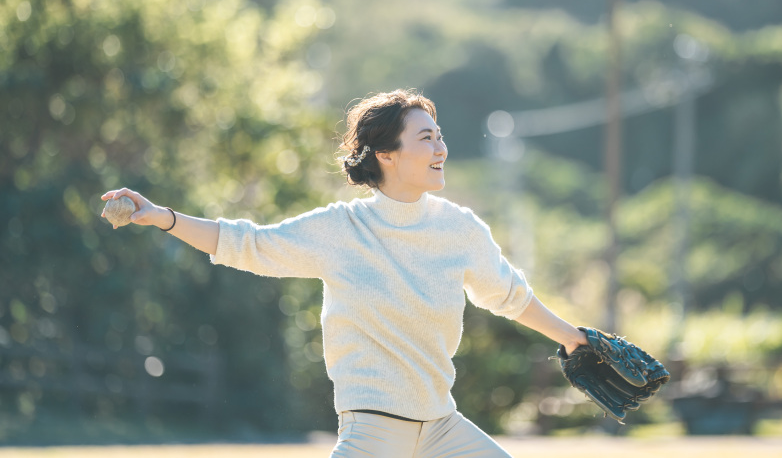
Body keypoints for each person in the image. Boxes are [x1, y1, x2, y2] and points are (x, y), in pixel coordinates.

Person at [101, 89, 588, 458]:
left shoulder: (459, 229)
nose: (440, 147)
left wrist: (573, 339)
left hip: (443, 428)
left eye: (439, 135)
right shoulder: (341, 229)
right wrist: (163, 217)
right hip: (373, 430)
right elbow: (248, 245)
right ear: (387, 154)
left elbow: (508, 295)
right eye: (425, 137)